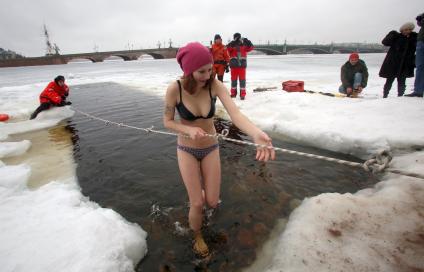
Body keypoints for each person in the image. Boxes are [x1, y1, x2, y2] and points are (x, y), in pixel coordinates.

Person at [163, 42, 275, 257]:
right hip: (186, 150)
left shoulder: (215, 85)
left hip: (210, 148)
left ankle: (200, 194)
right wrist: (187, 129)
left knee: (212, 201)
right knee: (197, 203)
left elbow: (236, 115)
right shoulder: (174, 89)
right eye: (201, 71)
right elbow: (167, 121)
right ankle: (197, 235)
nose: (208, 75)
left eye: (210, 69)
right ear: (188, 70)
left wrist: (255, 133)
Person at [379, 22, 417, 98]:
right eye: (406, 29)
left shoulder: (414, 38)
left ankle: (400, 96)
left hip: (405, 64)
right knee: (389, 80)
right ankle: (385, 95)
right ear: (402, 30)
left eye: (410, 29)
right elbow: (385, 42)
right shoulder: (396, 37)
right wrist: (391, 34)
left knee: (402, 82)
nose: (407, 31)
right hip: (393, 63)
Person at [226, 33, 254, 100]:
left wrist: (248, 42)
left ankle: (242, 95)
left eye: (238, 37)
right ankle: (233, 93)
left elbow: (251, 47)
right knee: (234, 80)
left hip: (241, 66)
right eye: (237, 38)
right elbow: (227, 48)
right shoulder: (232, 45)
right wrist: (232, 43)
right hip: (234, 66)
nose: (238, 39)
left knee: (242, 81)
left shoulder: (244, 45)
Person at [405, 13, 424, 97]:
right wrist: (420, 18)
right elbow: (419, 23)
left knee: (420, 67)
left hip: (421, 42)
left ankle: (418, 90)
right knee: (420, 67)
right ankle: (418, 90)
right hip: (421, 41)